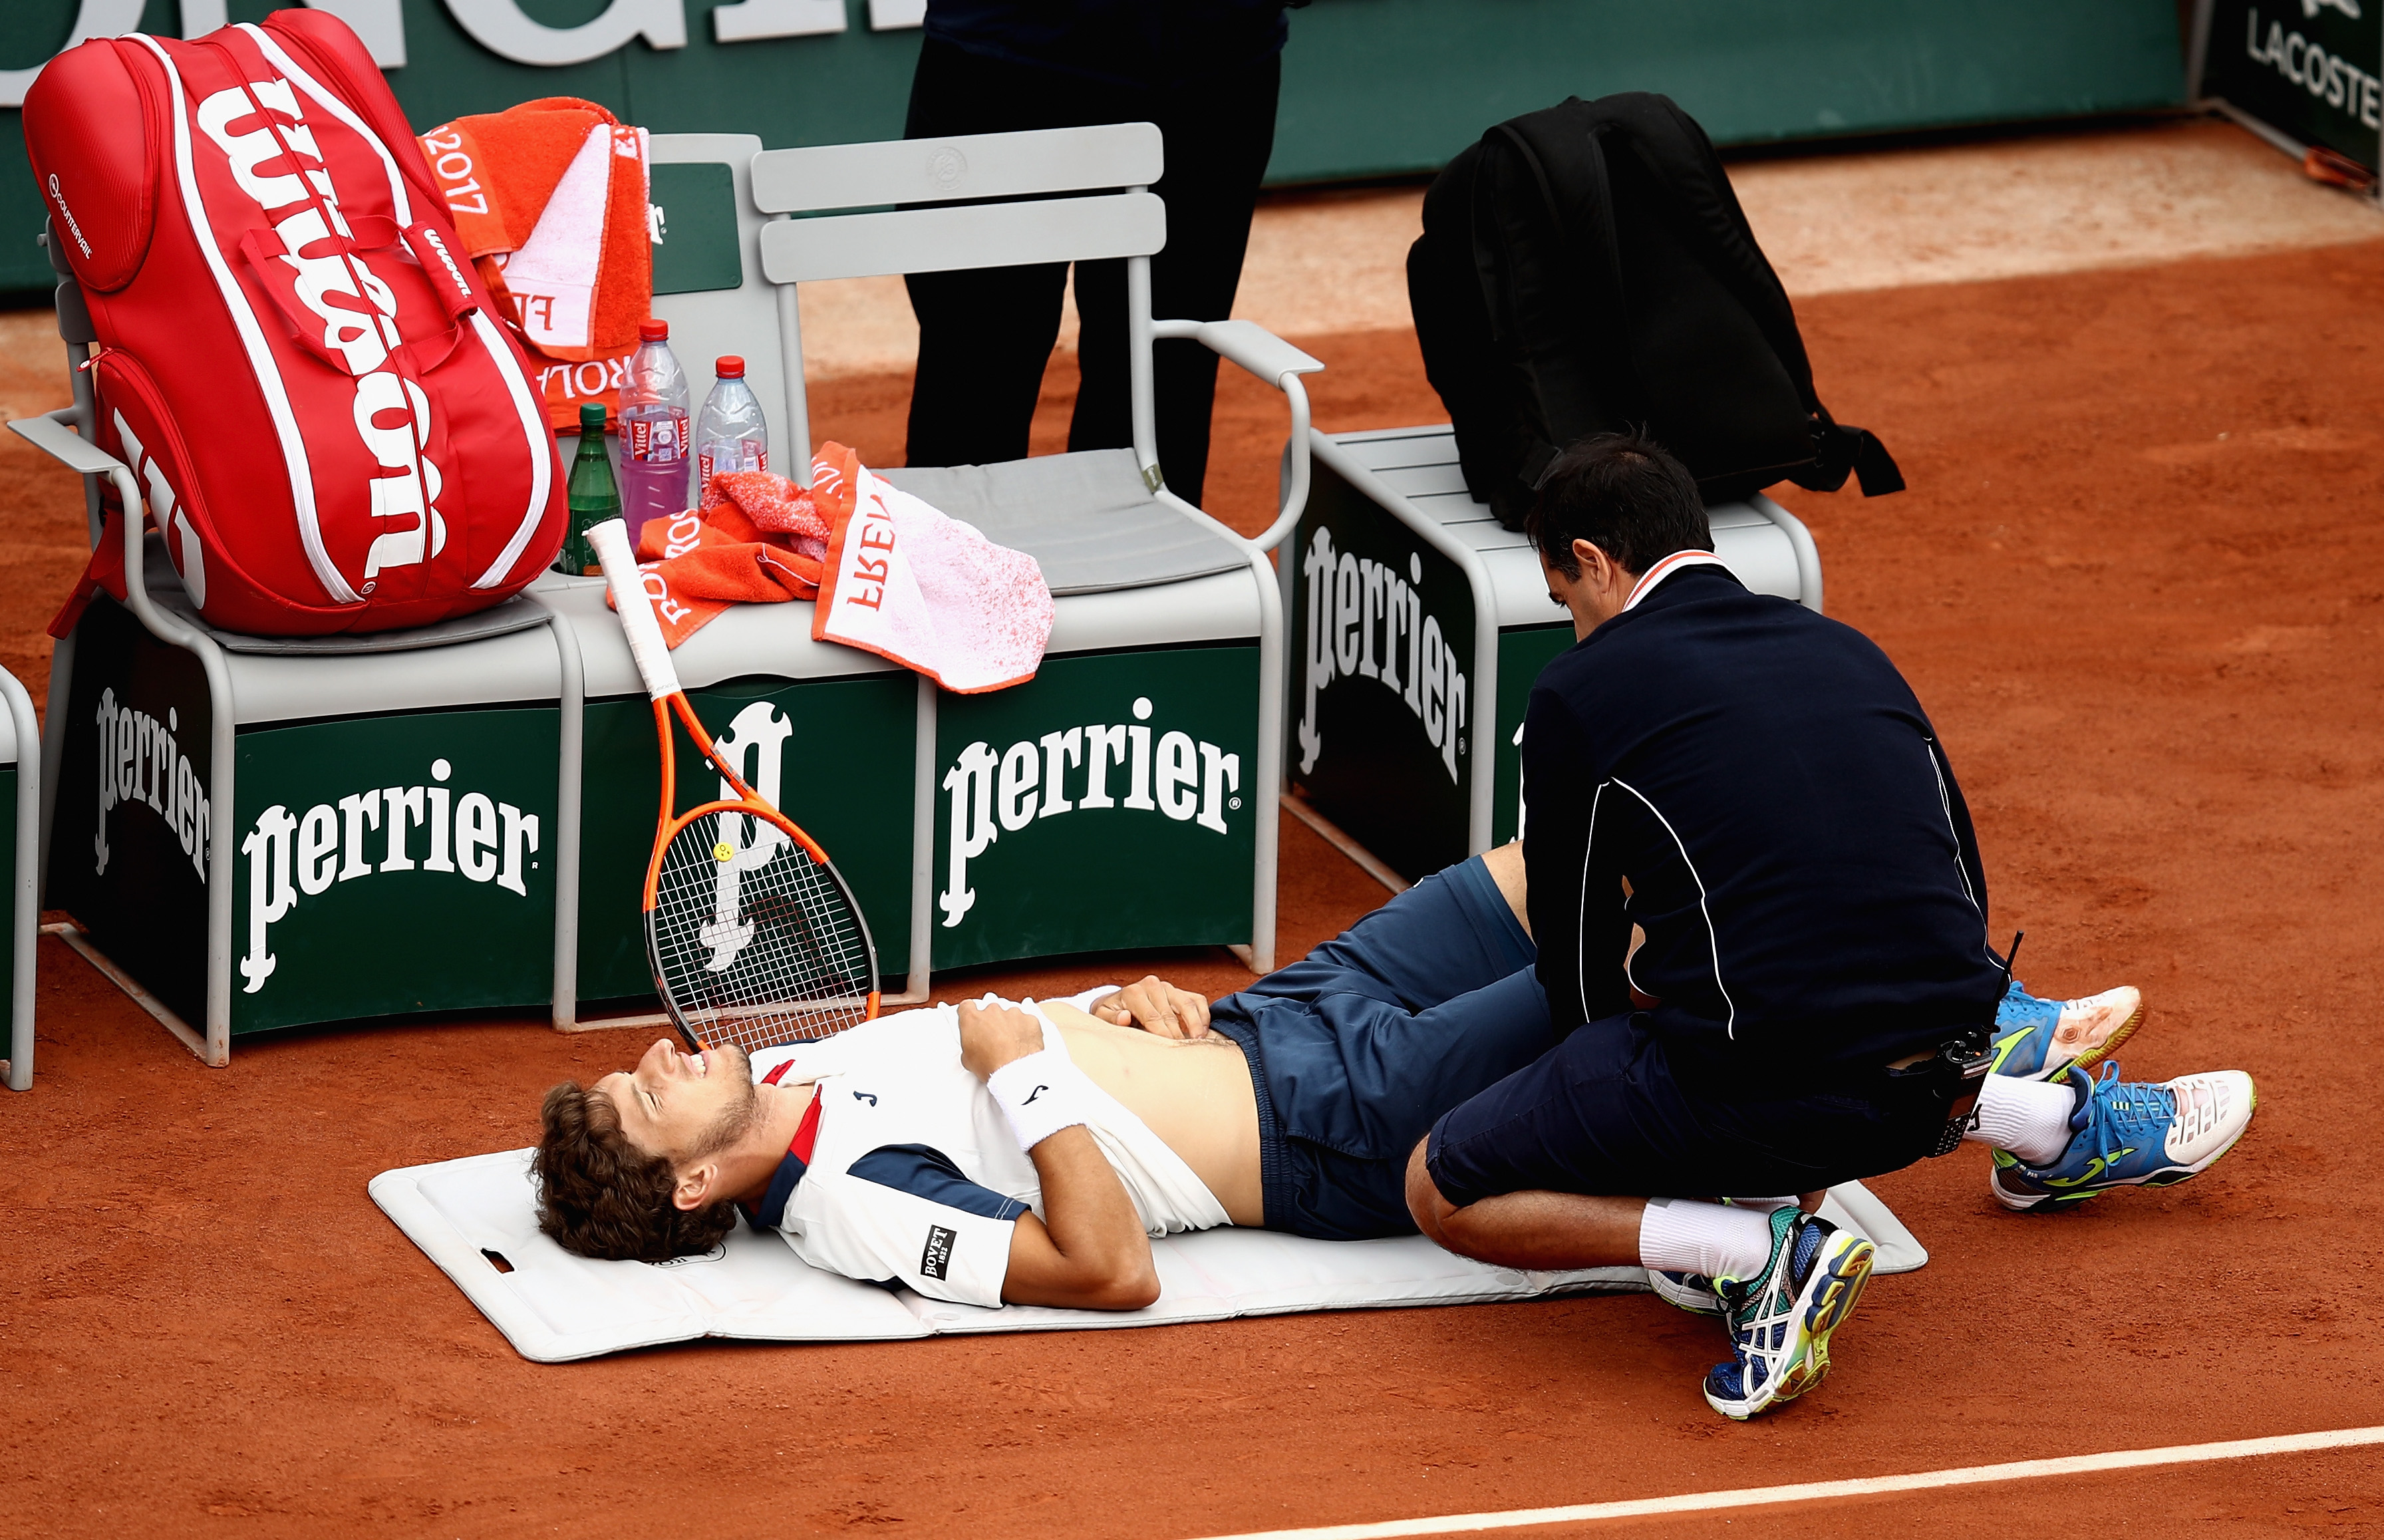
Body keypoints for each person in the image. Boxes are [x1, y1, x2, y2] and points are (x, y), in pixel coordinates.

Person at [531, 843, 2240, 1416]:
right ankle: (2020, 1094)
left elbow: (1021, 1069)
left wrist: (1114, 1012)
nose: (670, 1047)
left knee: (1558, 844)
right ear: (691, 1179)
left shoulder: (816, 1076)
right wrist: (1031, 1067)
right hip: (1342, 1118)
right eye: (648, 1088)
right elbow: (1103, 1265)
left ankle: (2006, 1078)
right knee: (1648, 962)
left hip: (1284, 1007)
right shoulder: (843, 1208)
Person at [1398, 431, 2258, 1416]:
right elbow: (1962, 882)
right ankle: (2053, 1123)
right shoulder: (1846, 645)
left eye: (1568, 601)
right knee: (1790, 994)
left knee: (1442, 1182)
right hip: (1945, 1073)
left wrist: (1614, 1110)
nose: (1576, 626)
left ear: (1593, 562)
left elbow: (1577, 963)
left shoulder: (1579, 694)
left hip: (1786, 1111)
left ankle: (1759, 1256)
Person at [899, 0, 1292, 507]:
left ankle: (1143, 584)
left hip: (1214, 71)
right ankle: (946, 583)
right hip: (1007, 65)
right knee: (974, 392)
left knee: (1161, 400)